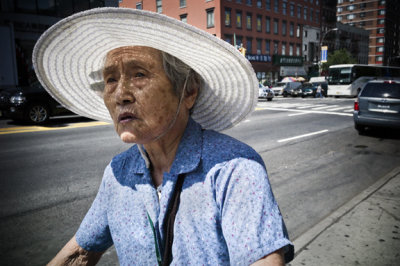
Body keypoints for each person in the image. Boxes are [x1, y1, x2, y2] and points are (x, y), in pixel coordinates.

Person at [33, 8, 294, 265]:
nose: (120, 94)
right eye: (110, 79)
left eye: (139, 74)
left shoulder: (234, 168)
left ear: (189, 90)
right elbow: (80, 253)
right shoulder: (118, 173)